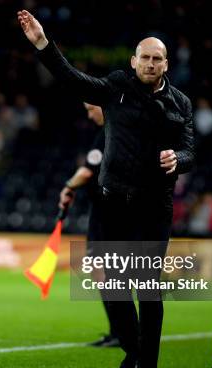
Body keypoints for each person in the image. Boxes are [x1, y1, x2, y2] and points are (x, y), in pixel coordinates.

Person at [18, 10, 195, 368]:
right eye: (144, 57)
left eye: (156, 58)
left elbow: (190, 151)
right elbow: (73, 80)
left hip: (153, 207)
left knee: (147, 288)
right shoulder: (116, 87)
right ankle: (133, 356)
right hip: (115, 202)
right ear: (133, 61)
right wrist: (42, 45)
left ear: (166, 63)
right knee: (113, 286)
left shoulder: (181, 103)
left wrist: (177, 159)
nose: (149, 63)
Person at [59, 103, 119, 348]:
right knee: (105, 273)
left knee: (105, 273)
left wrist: (68, 187)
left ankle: (122, 332)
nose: (88, 114)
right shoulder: (113, 132)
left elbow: (86, 173)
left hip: (107, 213)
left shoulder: (108, 133)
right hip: (108, 211)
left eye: (90, 108)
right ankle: (119, 331)